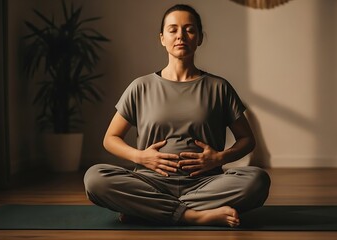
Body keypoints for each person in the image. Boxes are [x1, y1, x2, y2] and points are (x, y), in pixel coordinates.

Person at [84, 4, 270, 227]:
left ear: (200, 37)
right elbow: (110, 139)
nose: (181, 35)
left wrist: (219, 158)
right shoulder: (140, 87)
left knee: (257, 181)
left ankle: (147, 209)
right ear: (162, 38)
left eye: (189, 29)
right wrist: (140, 157)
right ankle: (194, 215)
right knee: (95, 179)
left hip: (206, 182)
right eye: (173, 30)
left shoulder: (219, 87)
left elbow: (247, 140)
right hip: (150, 181)